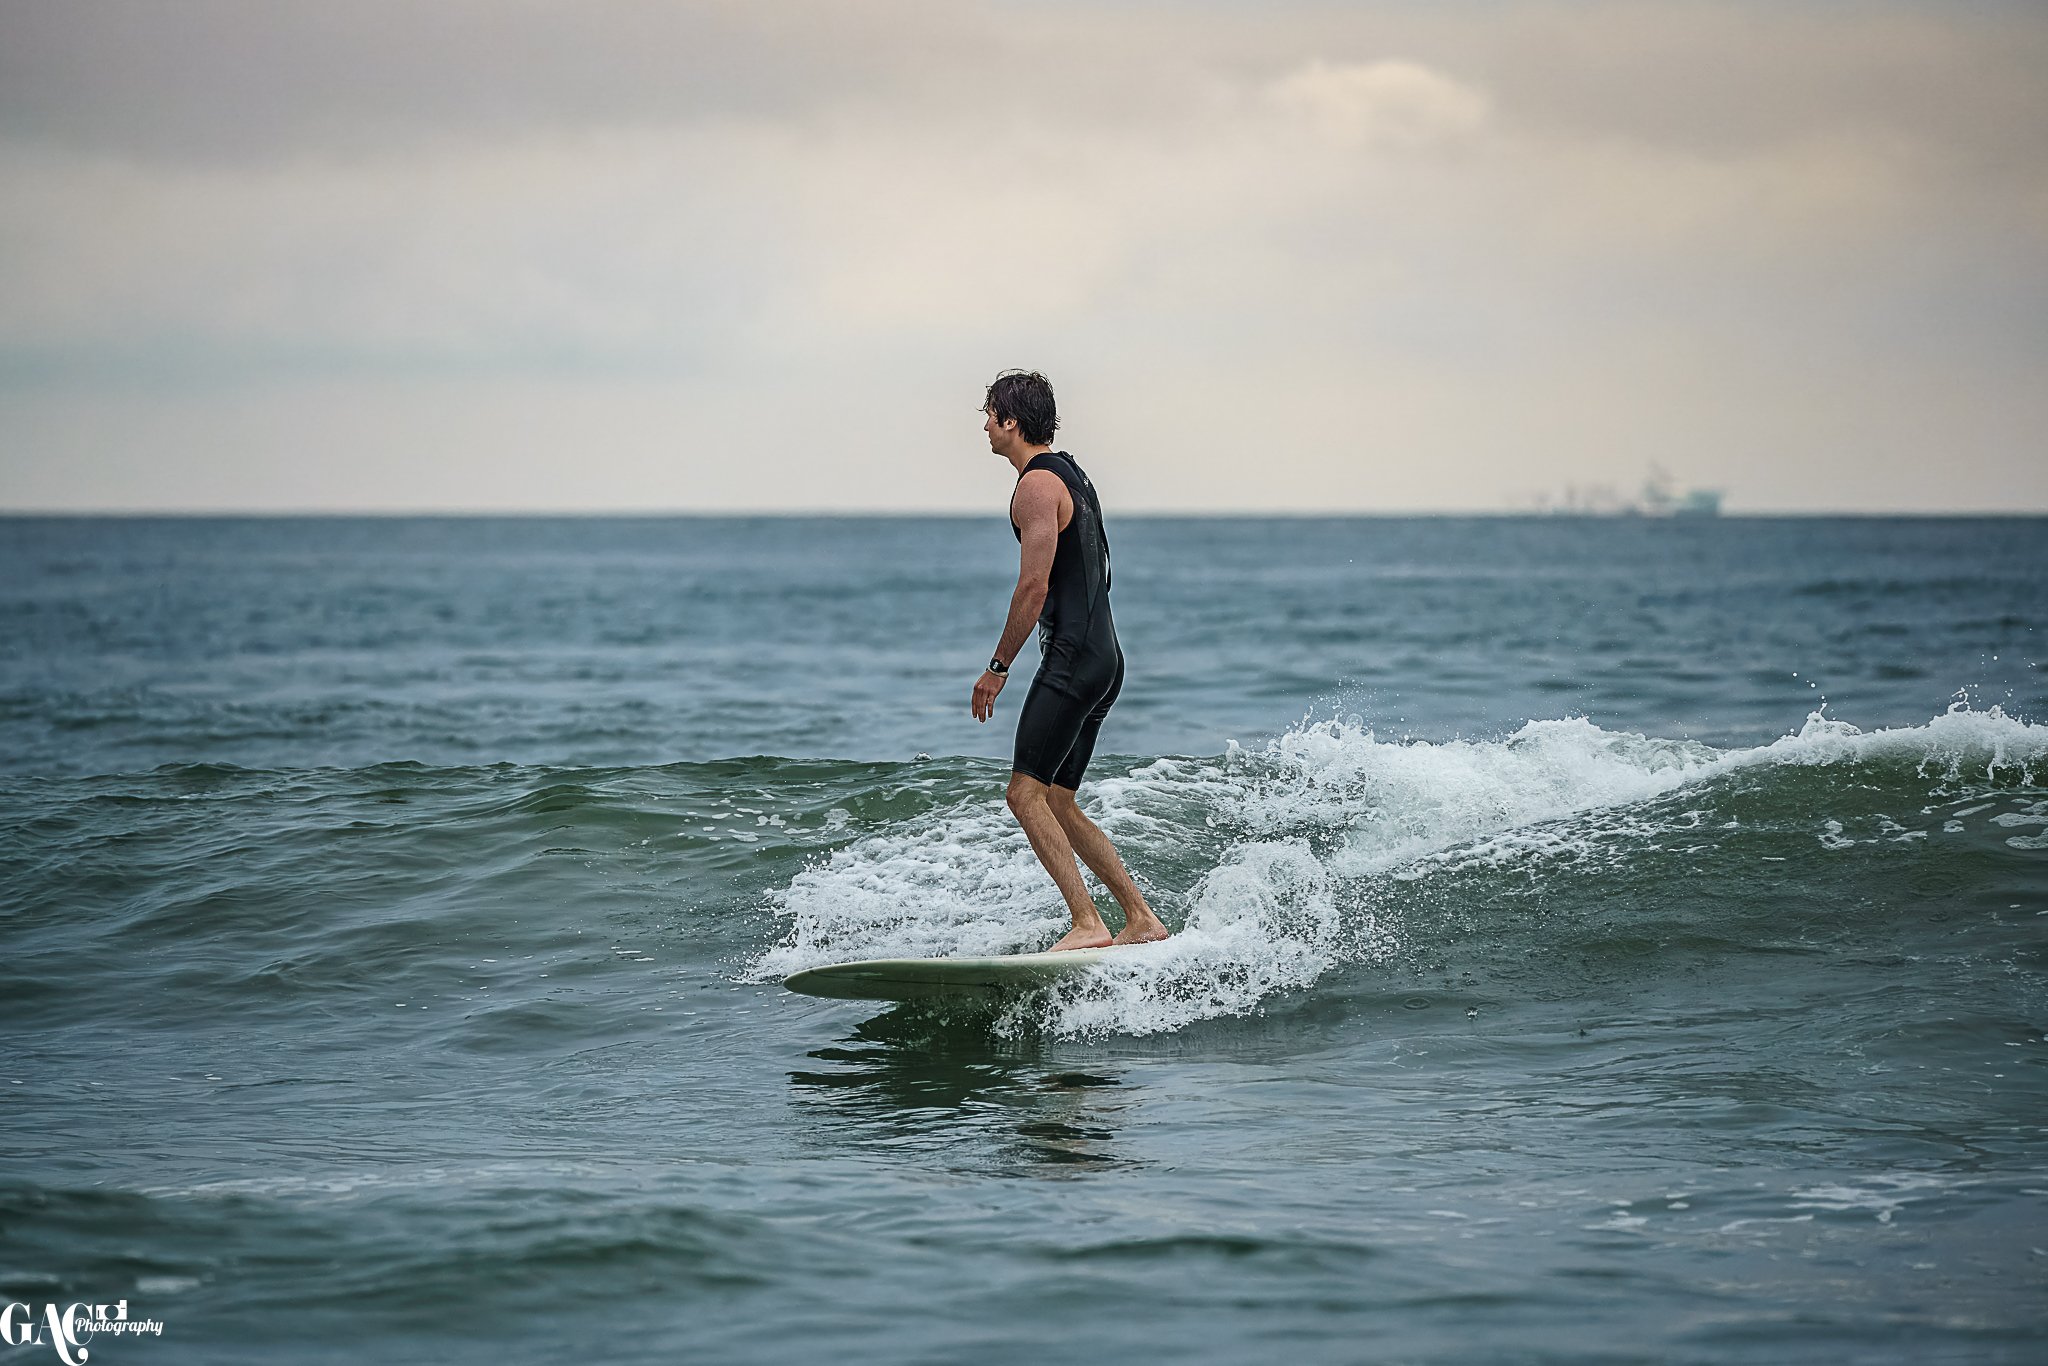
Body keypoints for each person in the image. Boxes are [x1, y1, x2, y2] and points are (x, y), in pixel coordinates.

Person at [970, 370, 1170, 951]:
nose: (984, 425)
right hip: (1104, 657)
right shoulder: (1073, 475)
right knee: (1057, 798)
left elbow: (1032, 588)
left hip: (1074, 659)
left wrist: (997, 668)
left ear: (1011, 421)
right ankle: (1140, 918)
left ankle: (1088, 923)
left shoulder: (1034, 486)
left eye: (989, 414)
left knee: (1023, 795)